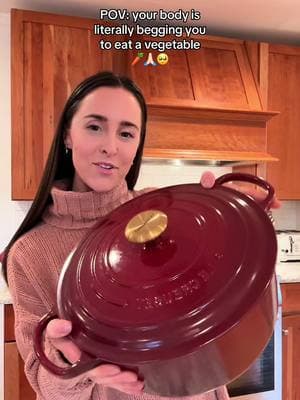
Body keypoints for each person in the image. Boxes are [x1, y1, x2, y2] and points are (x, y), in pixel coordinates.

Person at [0, 71, 279, 400]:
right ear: (67, 135)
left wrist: (236, 223)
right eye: (94, 126)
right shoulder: (30, 253)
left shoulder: (167, 209)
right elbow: (42, 382)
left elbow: (214, 302)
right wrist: (65, 358)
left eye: (127, 133)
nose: (111, 147)